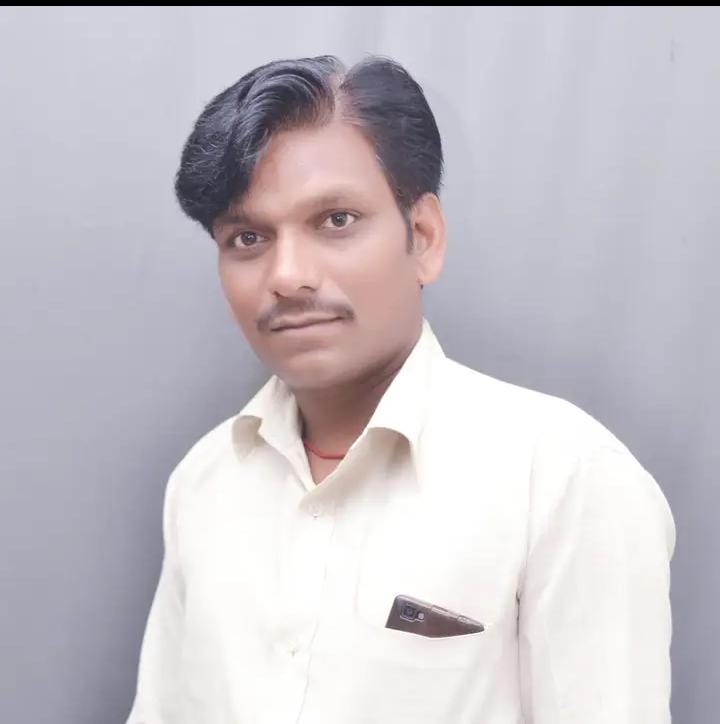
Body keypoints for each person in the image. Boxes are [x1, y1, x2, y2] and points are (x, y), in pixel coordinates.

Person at [126, 55, 676, 723]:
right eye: (247, 237)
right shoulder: (205, 481)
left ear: (424, 238)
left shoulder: (564, 479)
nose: (288, 275)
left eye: (336, 220)